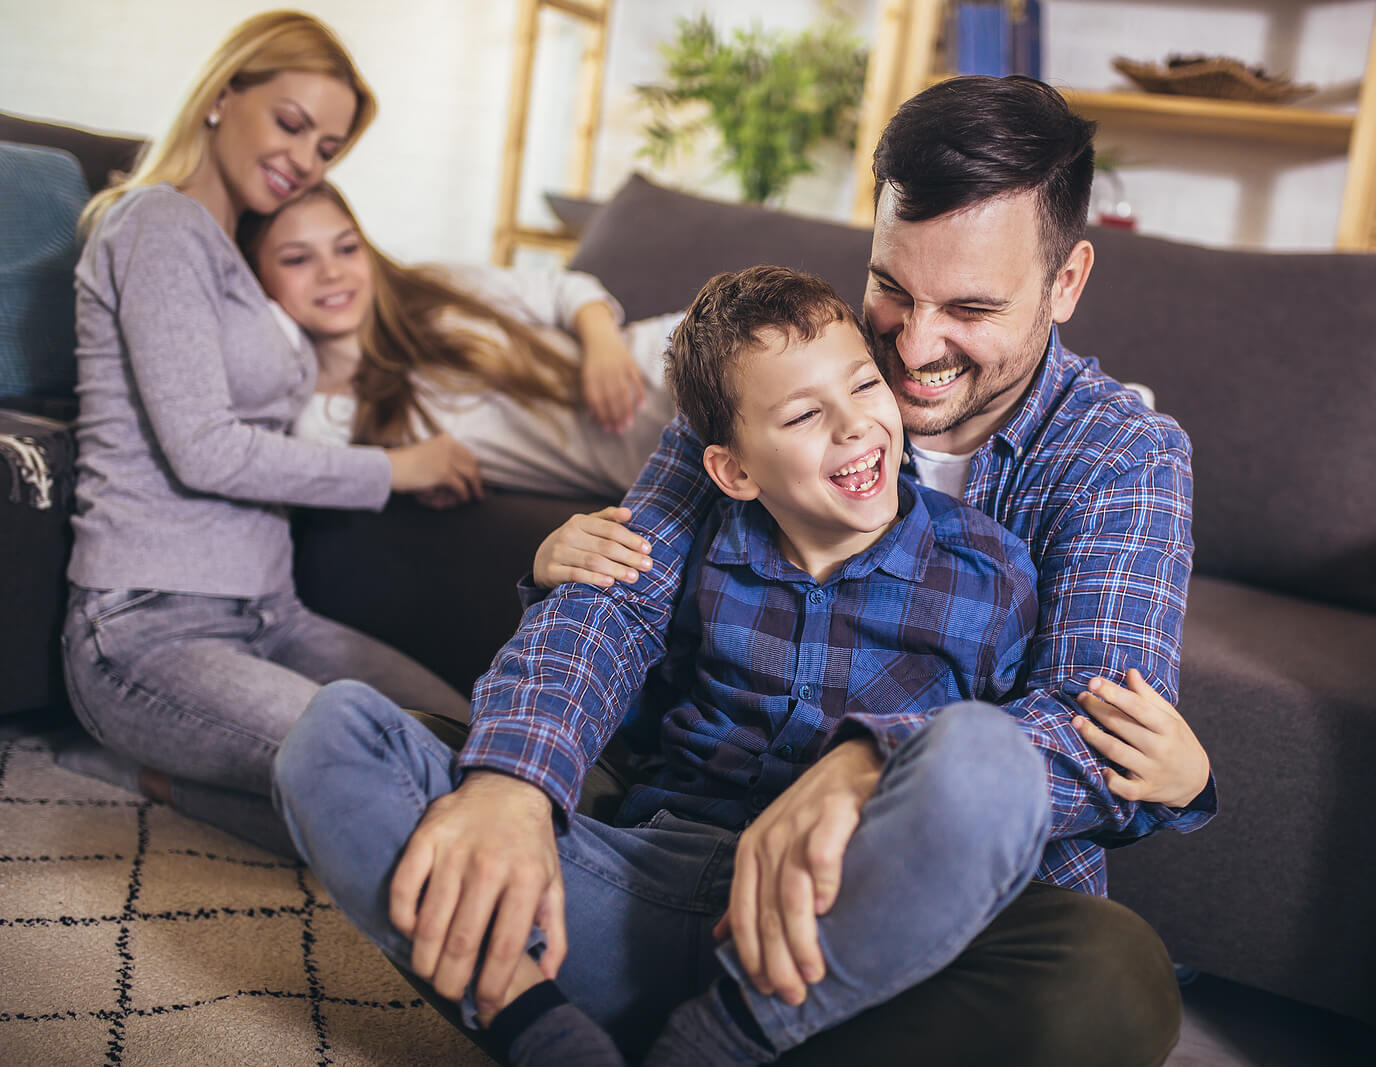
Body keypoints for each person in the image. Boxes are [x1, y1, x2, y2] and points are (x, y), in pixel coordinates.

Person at [282, 74, 1216, 1065]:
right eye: (893, 288)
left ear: (1066, 282)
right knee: (361, 752)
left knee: (1109, 984)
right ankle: (604, 1017)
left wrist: (868, 762)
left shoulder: (1125, 455)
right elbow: (620, 600)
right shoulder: (780, 366)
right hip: (677, 846)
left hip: (910, 918)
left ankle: (676, 1023)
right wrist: (515, 780)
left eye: (971, 307)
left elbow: (1097, 729)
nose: (913, 344)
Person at [58, 10, 482, 857]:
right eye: (291, 123)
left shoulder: (236, 256)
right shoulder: (154, 224)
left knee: (484, 748)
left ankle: (193, 779)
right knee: (402, 785)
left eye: (327, 148)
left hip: (273, 614)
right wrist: (395, 467)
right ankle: (154, 776)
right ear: (223, 94)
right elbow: (205, 447)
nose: (304, 160)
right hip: (147, 628)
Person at [239, 183, 683, 500]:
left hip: (670, 356)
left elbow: (564, 290)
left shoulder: (434, 288)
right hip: (660, 458)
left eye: (347, 248)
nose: (331, 272)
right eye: (298, 259)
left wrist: (602, 344)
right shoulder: (322, 421)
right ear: (257, 280)